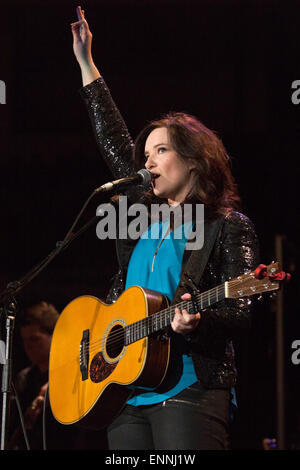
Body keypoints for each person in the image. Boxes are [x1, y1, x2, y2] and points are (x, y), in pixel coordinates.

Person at [70, 6, 260, 450]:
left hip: (189, 388)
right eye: (146, 153)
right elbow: (114, 139)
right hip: (128, 391)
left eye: (160, 152)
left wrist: (198, 323)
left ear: (193, 160)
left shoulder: (227, 226)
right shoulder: (141, 214)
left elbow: (241, 311)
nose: (146, 162)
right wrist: (86, 63)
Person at [8, 301, 80, 450]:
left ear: (54, 335)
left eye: (34, 339)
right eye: (25, 340)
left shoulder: (75, 372)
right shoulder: (23, 378)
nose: (28, 346)